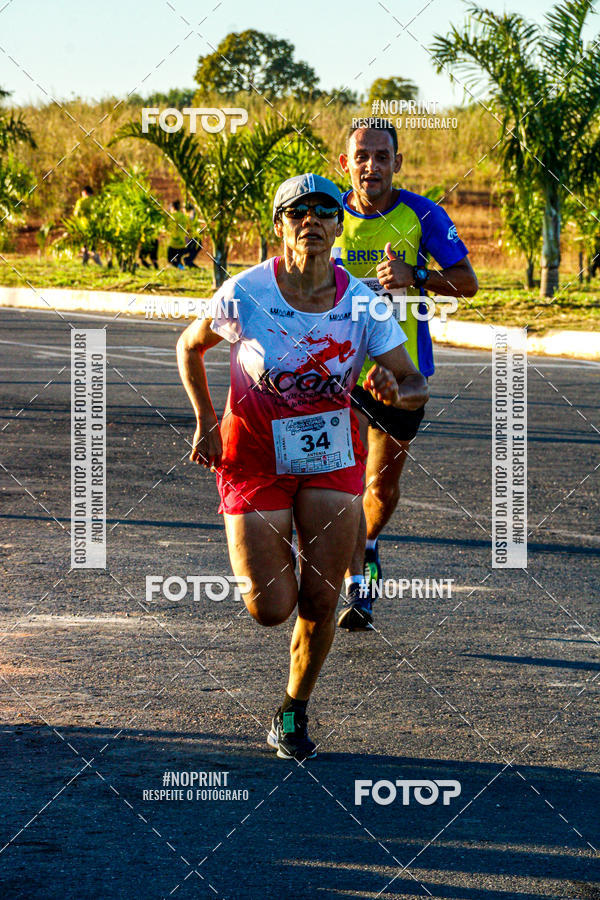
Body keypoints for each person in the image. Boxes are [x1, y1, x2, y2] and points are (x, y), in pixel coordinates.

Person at [177, 173, 428, 760]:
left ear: (340, 224)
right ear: (280, 225)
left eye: (323, 210)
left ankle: (292, 710)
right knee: (270, 608)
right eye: (297, 212)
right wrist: (206, 421)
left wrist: (396, 387)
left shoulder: (362, 303)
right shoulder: (246, 292)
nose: (311, 220)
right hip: (255, 456)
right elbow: (189, 347)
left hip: (329, 457)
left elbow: (414, 384)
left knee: (320, 599)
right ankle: (282, 546)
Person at [333, 120, 478, 630]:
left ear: (397, 162)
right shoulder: (324, 214)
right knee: (336, 484)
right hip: (336, 374)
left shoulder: (423, 214)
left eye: (381, 155)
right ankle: (352, 579)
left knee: (379, 488)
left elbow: (467, 283)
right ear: (345, 163)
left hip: (402, 376)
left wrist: (417, 275)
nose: (371, 165)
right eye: (361, 156)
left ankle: (368, 546)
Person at [73, 185, 102, 265]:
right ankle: (85, 263)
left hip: (84, 227)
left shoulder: (81, 201)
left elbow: (76, 214)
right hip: (96, 227)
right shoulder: (97, 201)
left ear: (84, 192)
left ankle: (99, 263)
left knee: (87, 246)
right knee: (92, 246)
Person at [167, 199, 189, 269]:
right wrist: (187, 240)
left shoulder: (173, 216)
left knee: (170, 258)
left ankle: (180, 267)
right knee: (178, 258)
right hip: (182, 241)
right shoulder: (184, 216)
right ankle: (181, 267)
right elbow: (187, 228)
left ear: (173, 207)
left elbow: (172, 228)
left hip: (175, 241)